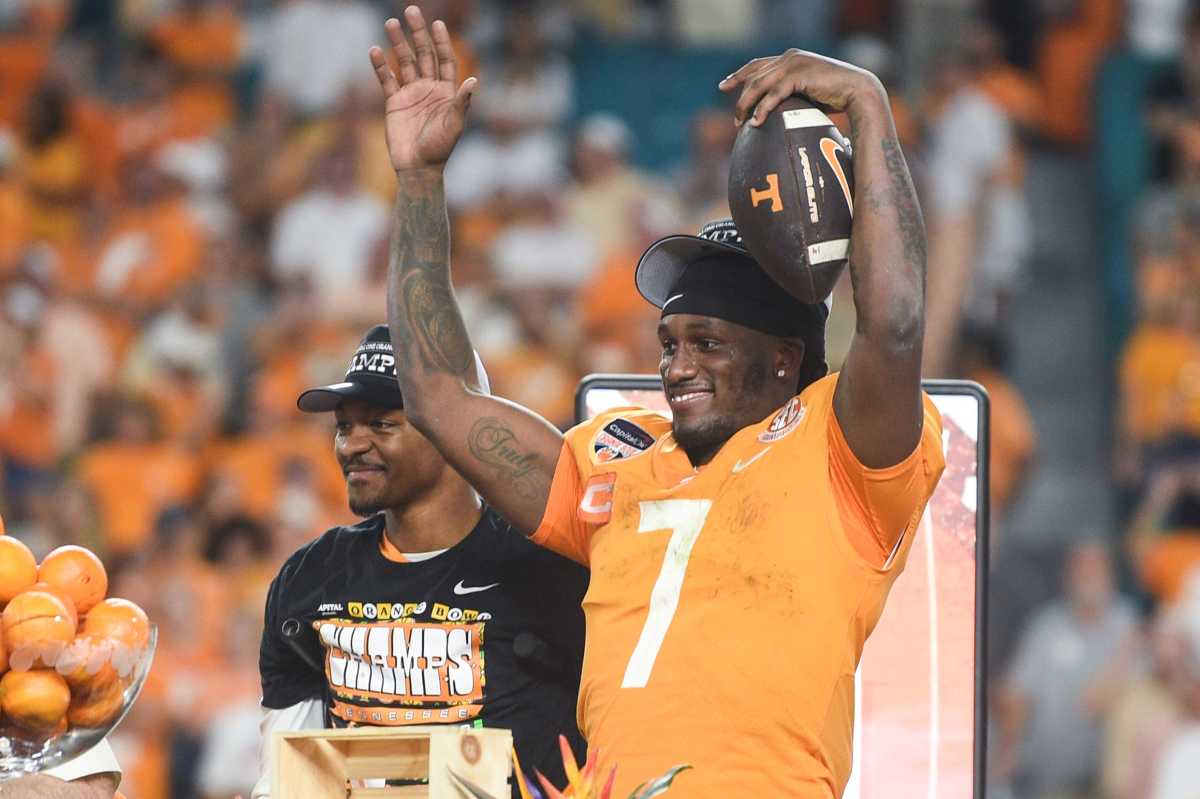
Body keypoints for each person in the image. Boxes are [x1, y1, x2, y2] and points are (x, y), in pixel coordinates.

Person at [371, 7, 944, 796]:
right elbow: (436, 395)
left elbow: (896, 321)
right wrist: (420, 181)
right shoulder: (617, 454)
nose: (676, 365)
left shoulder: (842, 451)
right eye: (670, 342)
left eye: (707, 342)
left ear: (783, 358)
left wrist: (869, 106)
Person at [252, 325, 588, 798]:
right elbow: (288, 772)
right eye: (344, 426)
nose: (351, 445)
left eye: (382, 423)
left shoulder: (548, 567)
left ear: (453, 428)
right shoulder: (312, 576)